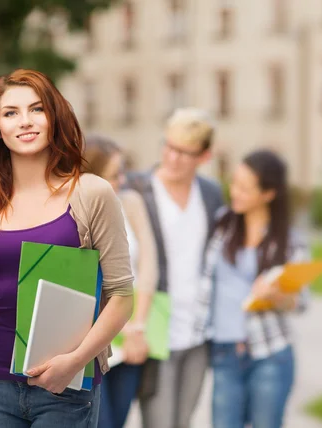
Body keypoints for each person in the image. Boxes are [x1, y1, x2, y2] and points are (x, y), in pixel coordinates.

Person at [0, 69, 134, 428]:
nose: (25, 122)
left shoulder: (91, 194)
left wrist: (76, 360)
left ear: (54, 117)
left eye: (36, 109)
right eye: (11, 113)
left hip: (66, 387)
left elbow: (122, 295)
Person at [190, 150, 309, 428]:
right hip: (225, 352)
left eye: (245, 188)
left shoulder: (289, 241)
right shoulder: (222, 225)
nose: (235, 192)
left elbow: (301, 302)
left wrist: (274, 295)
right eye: (234, 183)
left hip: (271, 353)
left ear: (268, 194)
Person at [128, 107, 224, 428]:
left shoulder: (211, 195)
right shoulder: (136, 189)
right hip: (156, 326)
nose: (173, 158)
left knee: (183, 420)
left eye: (185, 153)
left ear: (204, 156)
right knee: (158, 420)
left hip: (198, 331)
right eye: (169, 147)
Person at [83, 134, 158, 428]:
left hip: (130, 338)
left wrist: (138, 327)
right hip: (91, 342)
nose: (122, 181)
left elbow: (149, 265)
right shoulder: (76, 212)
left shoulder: (131, 202)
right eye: (114, 175)